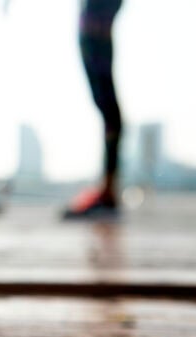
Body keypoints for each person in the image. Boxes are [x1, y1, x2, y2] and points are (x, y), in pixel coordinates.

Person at [64, 0, 124, 219]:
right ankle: (107, 189)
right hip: (96, 21)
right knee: (108, 108)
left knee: (108, 107)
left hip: (95, 22)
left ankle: (107, 192)